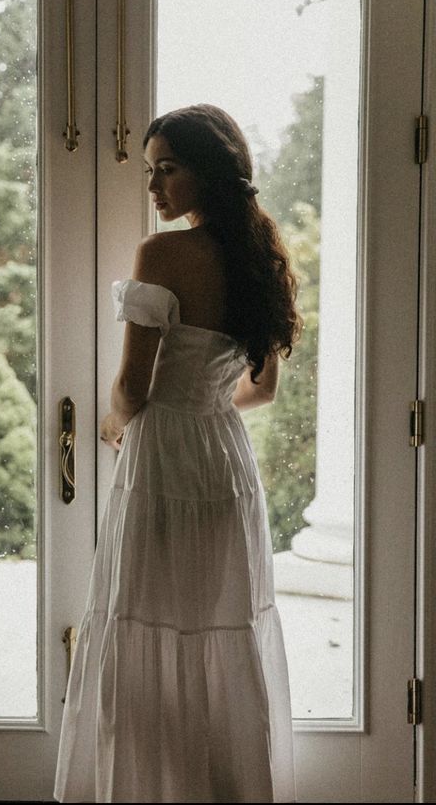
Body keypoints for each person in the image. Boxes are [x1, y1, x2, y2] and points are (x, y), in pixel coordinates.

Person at [53, 104, 302, 804]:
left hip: (163, 458)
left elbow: (133, 385)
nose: (154, 185)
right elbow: (262, 388)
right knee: (217, 624)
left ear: (209, 172)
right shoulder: (259, 254)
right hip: (223, 459)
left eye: (168, 168)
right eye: (149, 170)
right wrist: (205, 401)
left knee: (146, 618)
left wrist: (112, 420)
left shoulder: (162, 254)